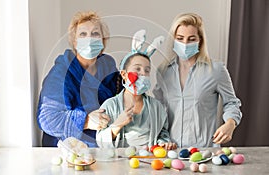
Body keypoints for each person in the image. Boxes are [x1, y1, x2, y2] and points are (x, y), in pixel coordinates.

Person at [153, 13, 242, 148]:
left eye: (191, 39)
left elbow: (232, 103)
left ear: (200, 40)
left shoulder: (216, 70)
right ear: (173, 39)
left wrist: (230, 124)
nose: (185, 43)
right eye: (180, 38)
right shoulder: (163, 72)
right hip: (171, 152)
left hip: (204, 151)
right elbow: (157, 111)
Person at [37, 11, 122, 147]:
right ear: (75, 42)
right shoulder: (61, 73)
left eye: (95, 34)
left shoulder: (109, 69)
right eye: (83, 34)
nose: (89, 39)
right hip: (70, 151)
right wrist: (86, 120)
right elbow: (47, 119)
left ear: (103, 41)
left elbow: (124, 97)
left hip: (105, 147)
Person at [96, 30, 177, 150]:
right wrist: (117, 125)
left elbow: (162, 133)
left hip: (149, 162)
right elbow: (100, 142)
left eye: (147, 70)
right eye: (137, 69)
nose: (142, 74)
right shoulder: (109, 106)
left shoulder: (156, 107)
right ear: (124, 74)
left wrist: (164, 142)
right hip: (120, 164)